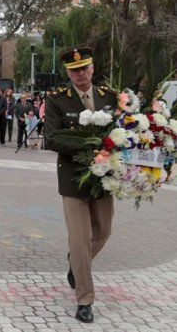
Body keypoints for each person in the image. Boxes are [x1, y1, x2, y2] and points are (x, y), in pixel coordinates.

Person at [45, 47, 117, 323]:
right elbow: (52, 138)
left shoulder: (110, 97)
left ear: (92, 68)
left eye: (84, 68)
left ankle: (76, 264)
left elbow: (127, 130)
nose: (80, 74)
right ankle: (85, 299)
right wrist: (90, 147)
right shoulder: (57, 101)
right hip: (73, 179)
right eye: (75, 70)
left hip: (104, 179)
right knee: (79, 240)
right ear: (68, 73)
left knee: (103, 232)